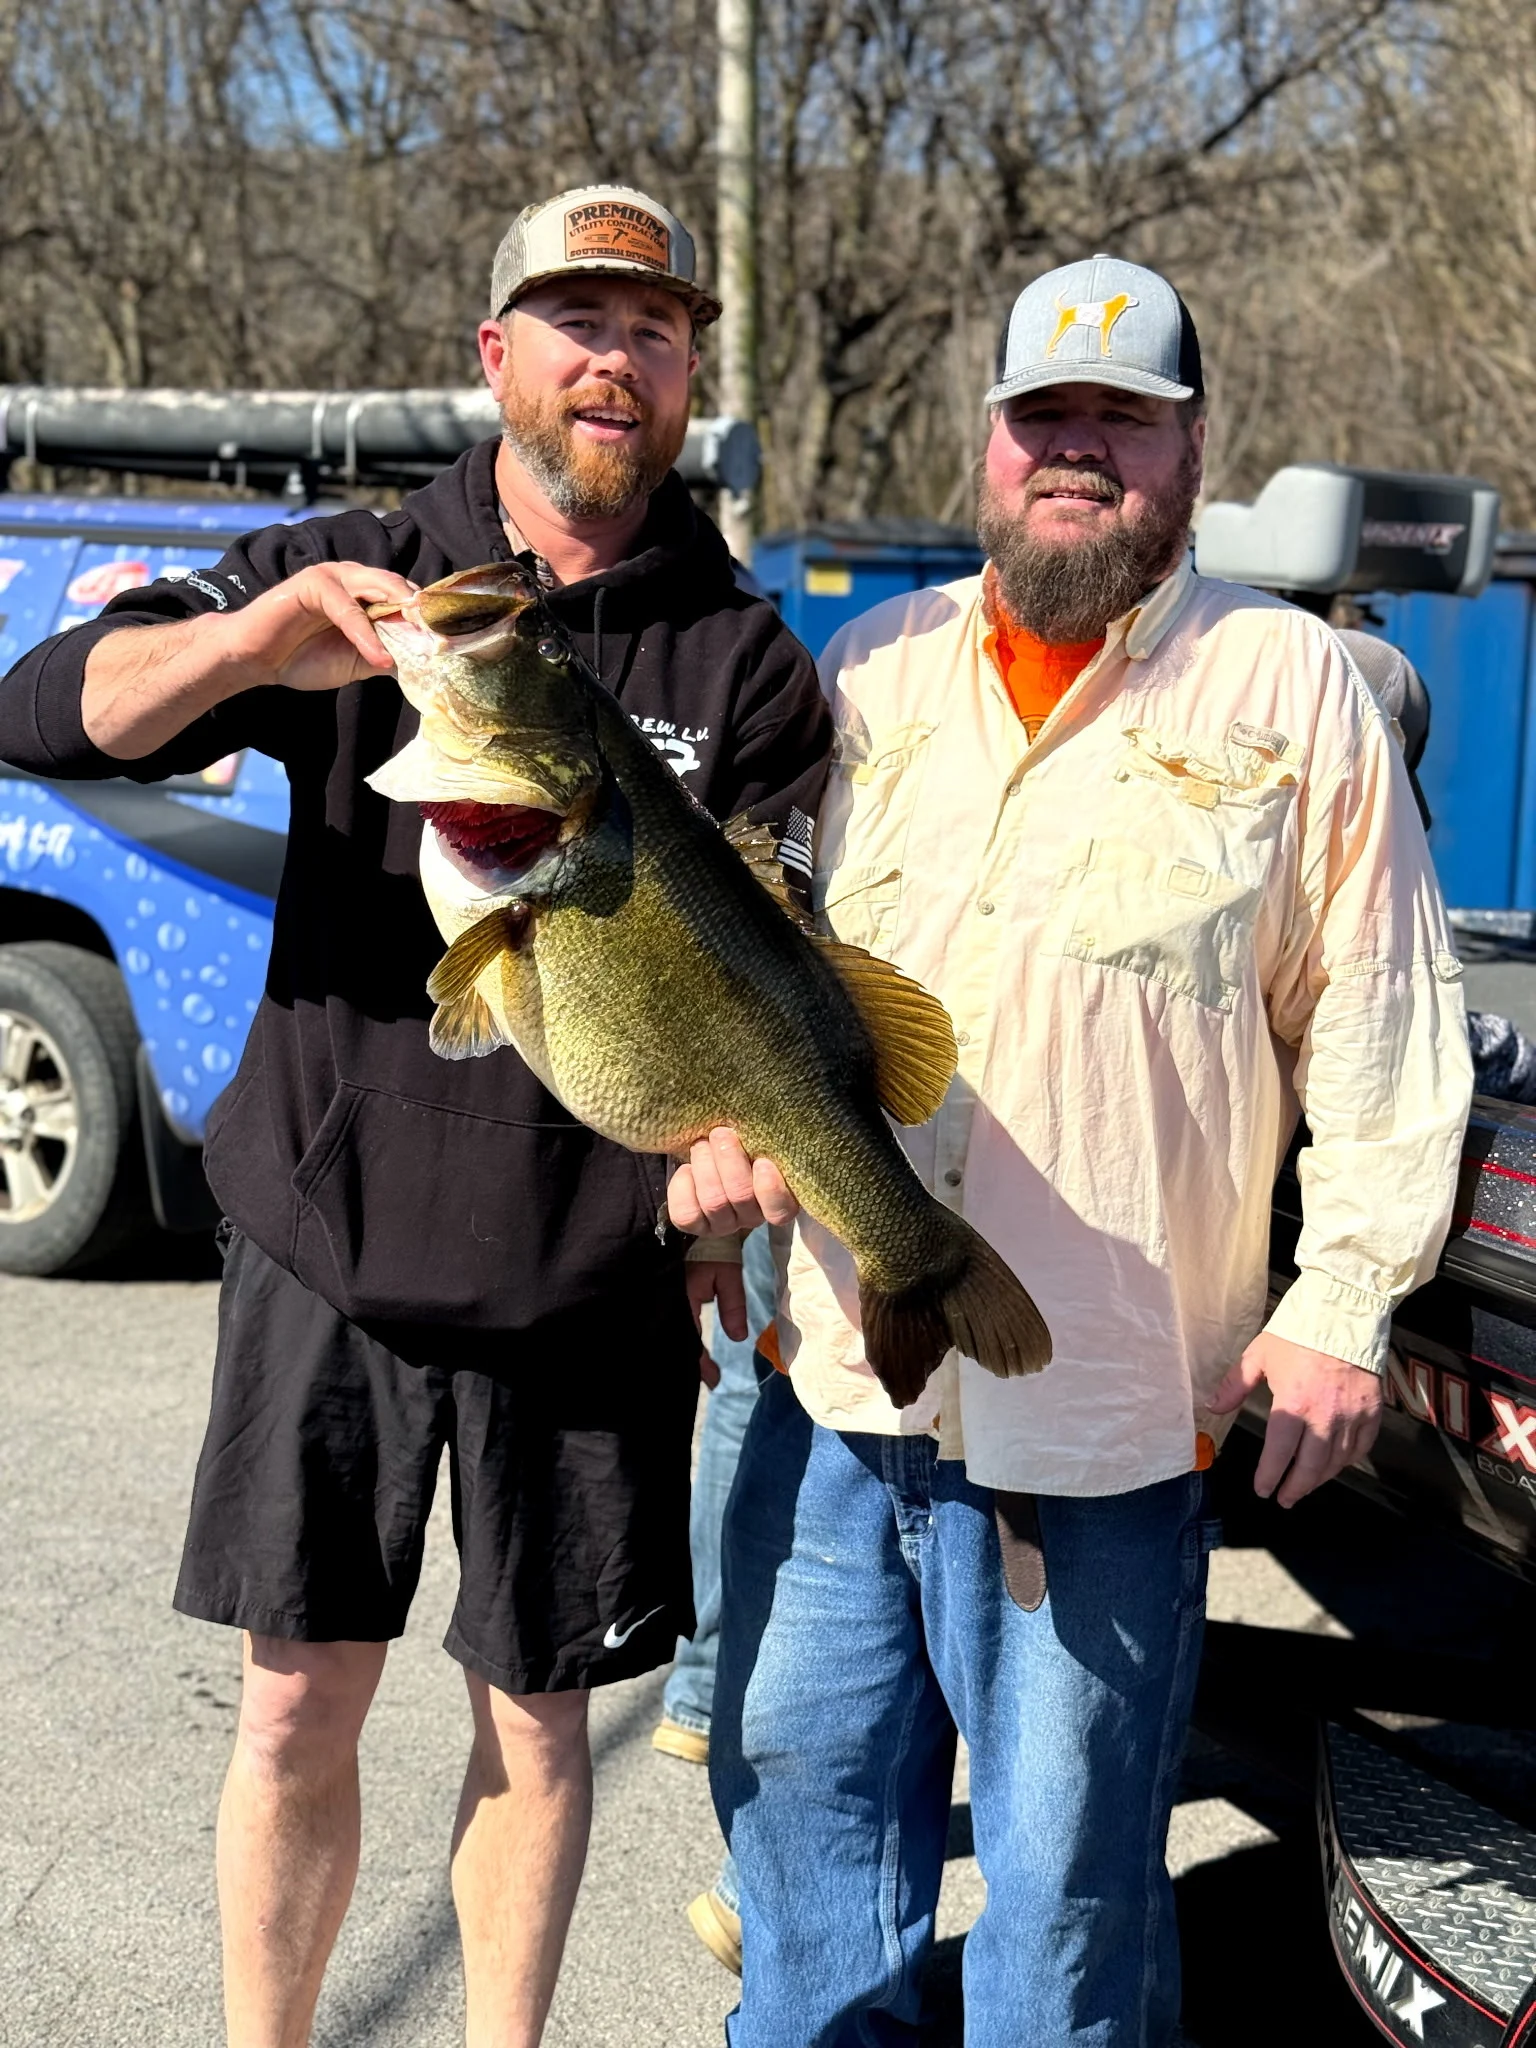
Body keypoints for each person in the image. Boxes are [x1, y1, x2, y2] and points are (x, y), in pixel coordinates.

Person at [0, 182, 829, 2048]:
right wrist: (250, 647)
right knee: (295, 1708)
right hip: (334, 1252)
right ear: (498, 355)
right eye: (575, 318)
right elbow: (45, 711)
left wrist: (721, 1189)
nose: (615, 357)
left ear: (691, 363)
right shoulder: (371, 574)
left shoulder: (749, 663)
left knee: (540, 1737)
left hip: (590, 1287)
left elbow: (783, 969)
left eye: (653, 326)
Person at [666, 253, 1473, 2044]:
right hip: (837, 1405)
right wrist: (711, 1176)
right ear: (990, 443)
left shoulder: (1294, 689)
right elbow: (760, 977)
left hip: (1098, 1431)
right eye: (1045, 416)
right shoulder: (863, 678)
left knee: (1062, 1914)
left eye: (1123, 419)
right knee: (800, 1853)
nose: (1076, 452)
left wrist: (1343, 1304)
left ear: (1192, 451)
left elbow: (1384, 1022)